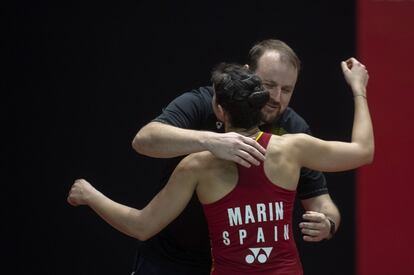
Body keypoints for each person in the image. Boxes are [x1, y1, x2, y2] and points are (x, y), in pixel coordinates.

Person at [68, 59, 373, 275]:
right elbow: (363, 152)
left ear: (219, 108)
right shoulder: (293, 147)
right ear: (258, 98)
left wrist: (90, 195)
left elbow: (142, 226)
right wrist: (358, 89)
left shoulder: (197, 165)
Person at [130, 39, 341, 274]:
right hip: (173, 257)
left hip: (234, 265)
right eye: (269, 85)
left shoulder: (293, 129)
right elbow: (144, 140)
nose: (276, 97)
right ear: (247, 74)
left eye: (287, 90)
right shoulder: (208, 102)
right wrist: (209, 141)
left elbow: (322, 201)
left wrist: (328, 223)